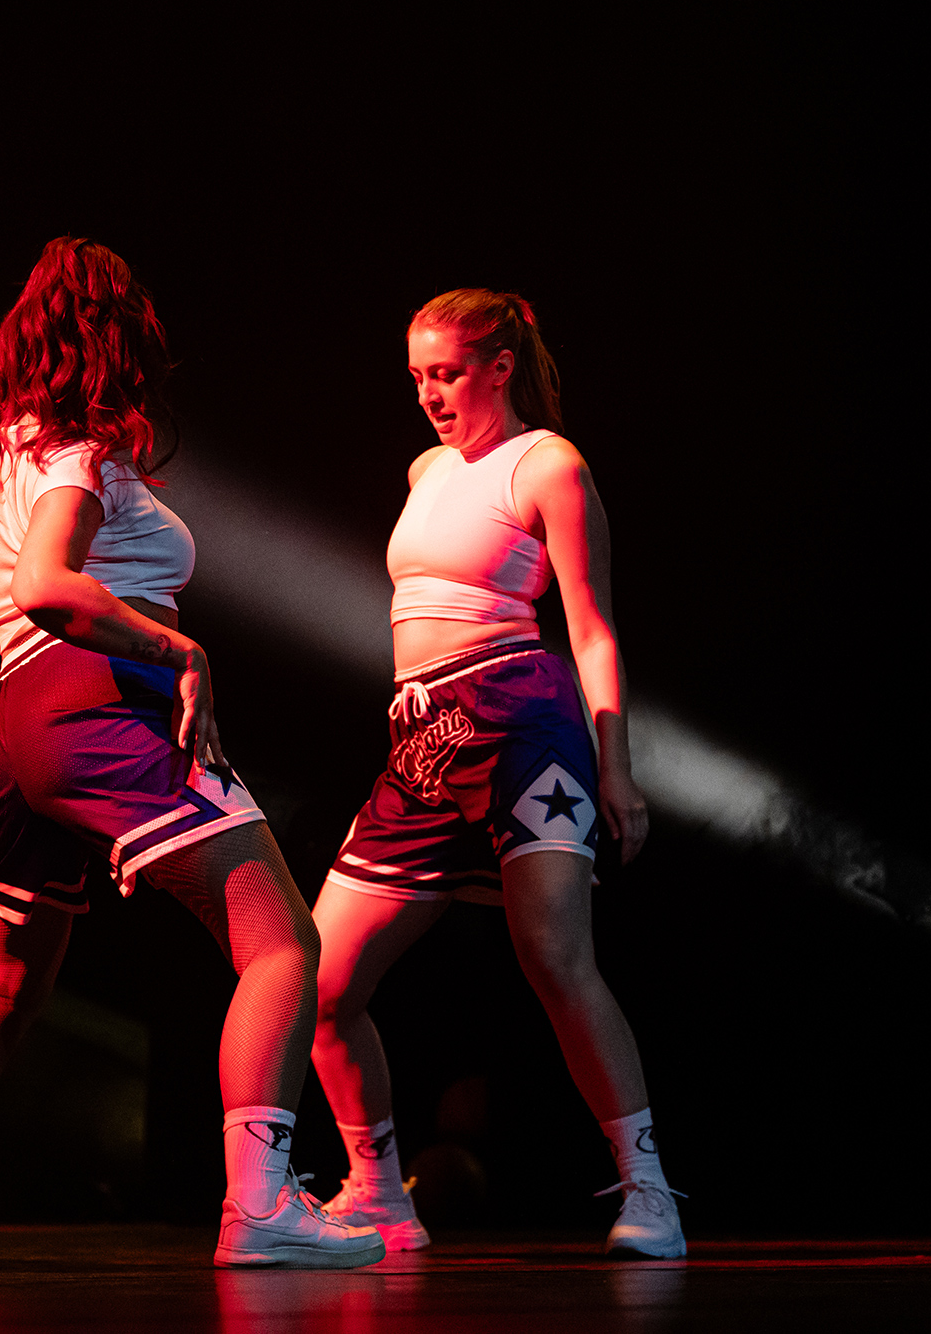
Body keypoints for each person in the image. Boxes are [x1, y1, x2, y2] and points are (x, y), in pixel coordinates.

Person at [0, 238, 383, 1269]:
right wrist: (177, 650)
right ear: (119, 344)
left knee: (8, 980)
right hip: (95, 702)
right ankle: (260, 1206)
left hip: (6, 729)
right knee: (281, 943)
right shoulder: (78, 454)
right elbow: (46, 584)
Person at [307, 290, 684, 1258]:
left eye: (445, 374)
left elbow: (591, 629)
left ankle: (648, 1191)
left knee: (554, 956)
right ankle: (377, 1192)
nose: (428, 395)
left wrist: (616, 768)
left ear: (499, 367)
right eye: (416, 377)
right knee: (318, 979)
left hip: (522, 723)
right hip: (423, 737)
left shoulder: (547, 463)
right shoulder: (426, 469)